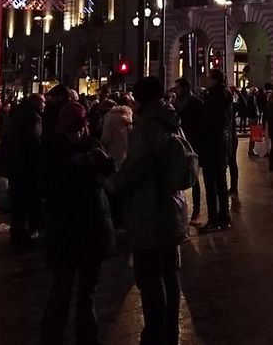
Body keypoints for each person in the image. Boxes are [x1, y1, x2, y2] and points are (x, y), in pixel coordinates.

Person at [111, 77, 192, 345]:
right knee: (169, 272)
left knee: (149, 276)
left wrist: (112, 183)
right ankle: (169, 331)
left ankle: (155, 334)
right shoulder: (172, 120)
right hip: (173, 205)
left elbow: (135, 169)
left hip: (149, 209)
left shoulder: (146, 126)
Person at [40, 100, 116, 345]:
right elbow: (48, 187)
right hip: (67, 230)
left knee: (86, 293)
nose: (79, 131)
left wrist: (103, 164)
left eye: (82, 126)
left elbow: (108, 181)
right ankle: (54, 338)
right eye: (75, 127)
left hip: (90, 230)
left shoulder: (92, 147)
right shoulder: (54, 151)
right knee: (61, 291)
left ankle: (87, 338)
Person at [3, 93, 45, 249]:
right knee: (30, 202)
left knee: (17, 205)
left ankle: (16, 234)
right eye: (43, 103)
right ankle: (28, 236)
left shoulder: (16, 115)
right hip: (28, 168)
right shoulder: (35, 118)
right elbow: (34, 142)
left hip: (15, 166)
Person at [198, 68, 235, 230]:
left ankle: (214, 219)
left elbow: (210, 123)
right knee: (220, 182)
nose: (206, 80)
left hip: (212, 145)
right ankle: (224, 217)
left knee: (211, 184)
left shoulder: (214, 98)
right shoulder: (224, 96)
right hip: (221, 144)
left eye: (209, 78)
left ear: (215, 80)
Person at [173, 78, 206, 224]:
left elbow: (202, 126)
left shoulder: (197, 103)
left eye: (178, 87)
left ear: (185, 88)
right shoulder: (175, 104)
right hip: (179, 144)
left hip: (194, 144)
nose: (176, 90)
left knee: (194, 178)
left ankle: (196, 210)